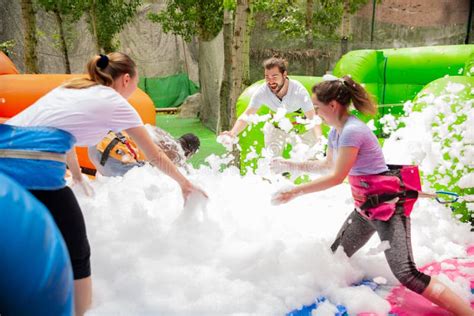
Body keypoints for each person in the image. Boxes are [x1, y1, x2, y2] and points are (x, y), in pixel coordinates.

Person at [1, 52, 207, 316]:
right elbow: (154, 153)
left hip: (5, 155)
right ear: (126, 79)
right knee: (77, 253)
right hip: (32, 164)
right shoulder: (115, 102)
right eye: (136, 83)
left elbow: (62, 133)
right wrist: (184, 183)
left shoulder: (72, 88)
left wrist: (76, 177)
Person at [271, 76, 473, 315]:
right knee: (337, 257)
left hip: (388, 209)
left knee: (407, 274)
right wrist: (291, 165)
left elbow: (337, 177)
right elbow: (328, 165)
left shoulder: (352, 132)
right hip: (365, 209)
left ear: (333, 106)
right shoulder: (337, 131)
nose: (315, 113)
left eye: (318, 107)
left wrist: (295, 191)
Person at [219, 56, 321, 157]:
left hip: (301, 130)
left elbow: (313, 119)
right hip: (277, 129)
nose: (270, 81)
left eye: (274, 76)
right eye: (267, 77)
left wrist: (320, 140)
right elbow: (246, 116)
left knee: (312, 158)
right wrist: (232, 133)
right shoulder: (262, 91)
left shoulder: (298, 91)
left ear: (284, 75)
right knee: (272, 160)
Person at [88, 126, 200, 177]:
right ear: (190, 153)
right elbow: (186, 177)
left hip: (95, 147)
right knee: (152, 177)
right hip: (110, 158)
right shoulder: (178, 155)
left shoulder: (163, 134)